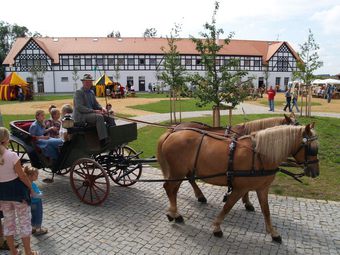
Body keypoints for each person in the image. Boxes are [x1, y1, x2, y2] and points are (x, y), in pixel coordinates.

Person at [0, 127, 38, 255]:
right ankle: (28, 252)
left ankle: (14, 252)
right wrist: (31, 188)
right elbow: (22, 176)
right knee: (24, 223)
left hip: (3, 195)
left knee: (8, 224)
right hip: (18, 194)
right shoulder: (12, 155)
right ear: (6, 140)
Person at [73, 74, 116, 146]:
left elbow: (96, 104)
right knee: (99, 117)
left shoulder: (91, 92)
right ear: (83, 82)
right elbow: (80, 107)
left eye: (90, 82)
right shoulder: (79, 92)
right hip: (81, 116)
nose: (88, 83)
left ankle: (113, 136)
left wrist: (102, 108)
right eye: (86, 82)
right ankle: (103, 140)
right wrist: (94, 111)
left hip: (90, 114)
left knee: (109, 116)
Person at [24, 167, 48, 236]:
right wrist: (41, 194)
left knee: (33, 215)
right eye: (36, 175)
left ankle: (33, 228)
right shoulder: (32, 185)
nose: (37, 177)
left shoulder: (26, 184)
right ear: (29, 176)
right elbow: (35, 195)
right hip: (37, 203)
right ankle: (38, 230)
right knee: (38, 215)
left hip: (31, 203)